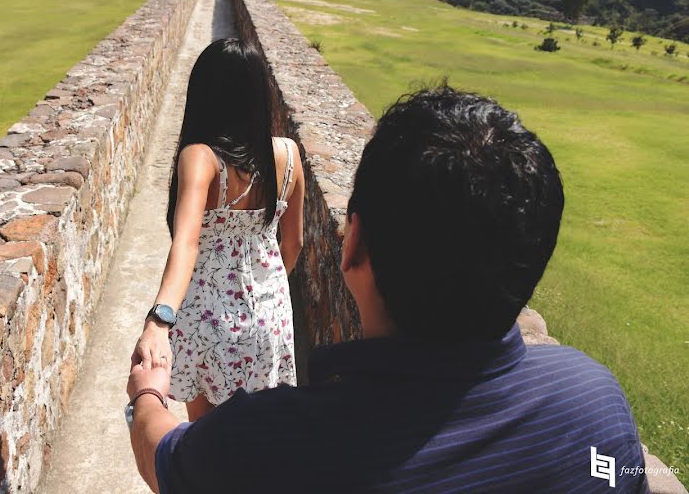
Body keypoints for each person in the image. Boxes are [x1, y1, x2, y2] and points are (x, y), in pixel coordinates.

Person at [126, 85, 649, 493]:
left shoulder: (267, 441)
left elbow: (166, 458)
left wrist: (147, 394)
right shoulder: (595, 404)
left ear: (352, 247)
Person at [131, 38, 305, 421]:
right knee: (261, 433)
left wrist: (159, 319)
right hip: (270, 315)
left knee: (207, 439)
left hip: (208, 321)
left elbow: (186, 243)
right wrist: (265, 293)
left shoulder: (201, 158)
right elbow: (293, 243)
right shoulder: (290, 155)